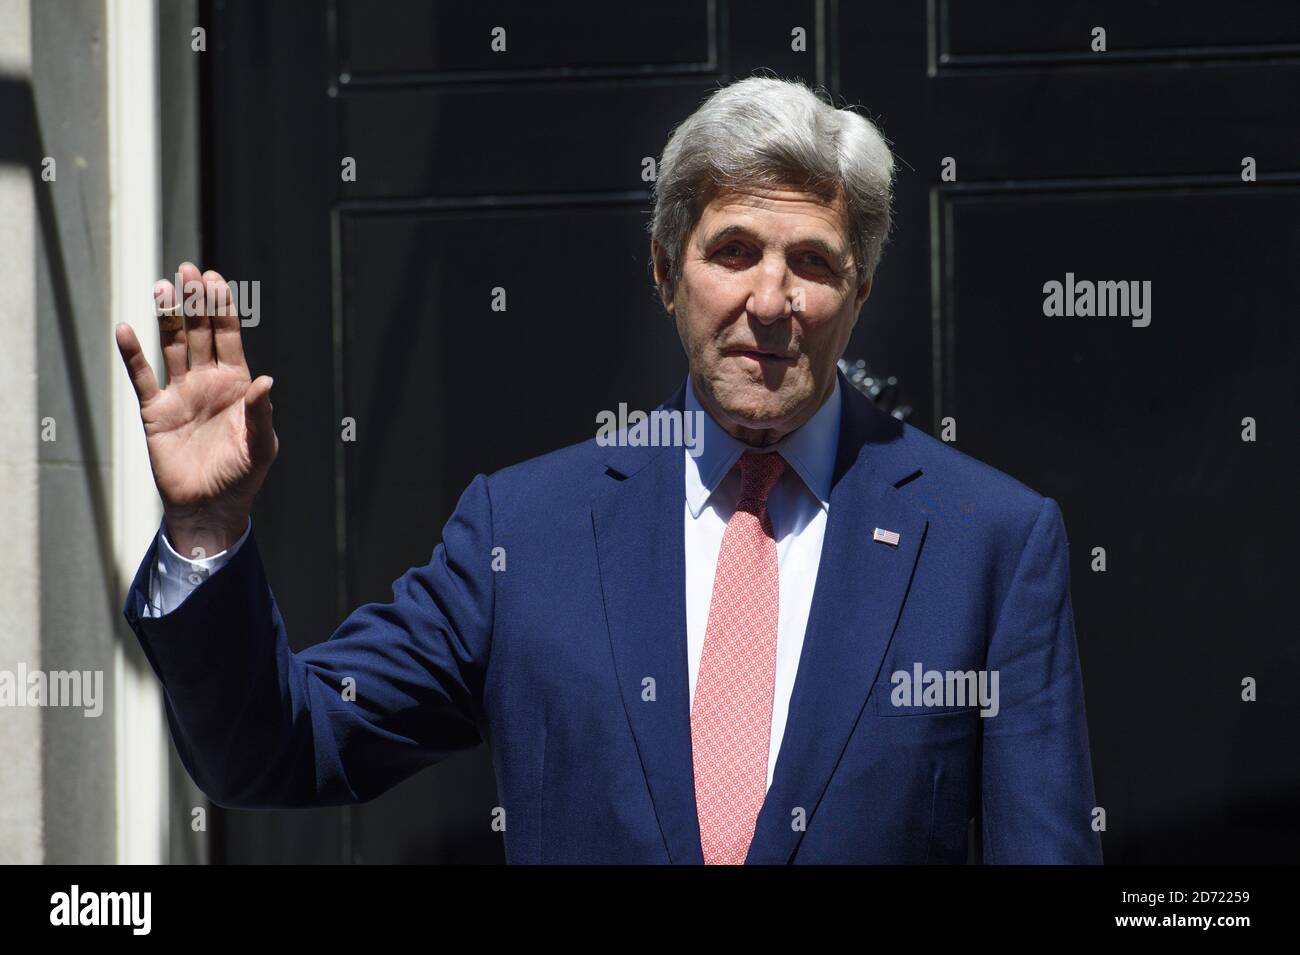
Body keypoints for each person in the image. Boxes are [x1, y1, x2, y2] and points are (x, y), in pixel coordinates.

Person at [116, 76, 1101, 864]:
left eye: (812, 260)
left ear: (860, 291)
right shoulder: (527, 533)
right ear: (666, 270)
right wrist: (209, 531)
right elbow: (282, 746)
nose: (771, 299)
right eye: (733, 249)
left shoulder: (986, 542)